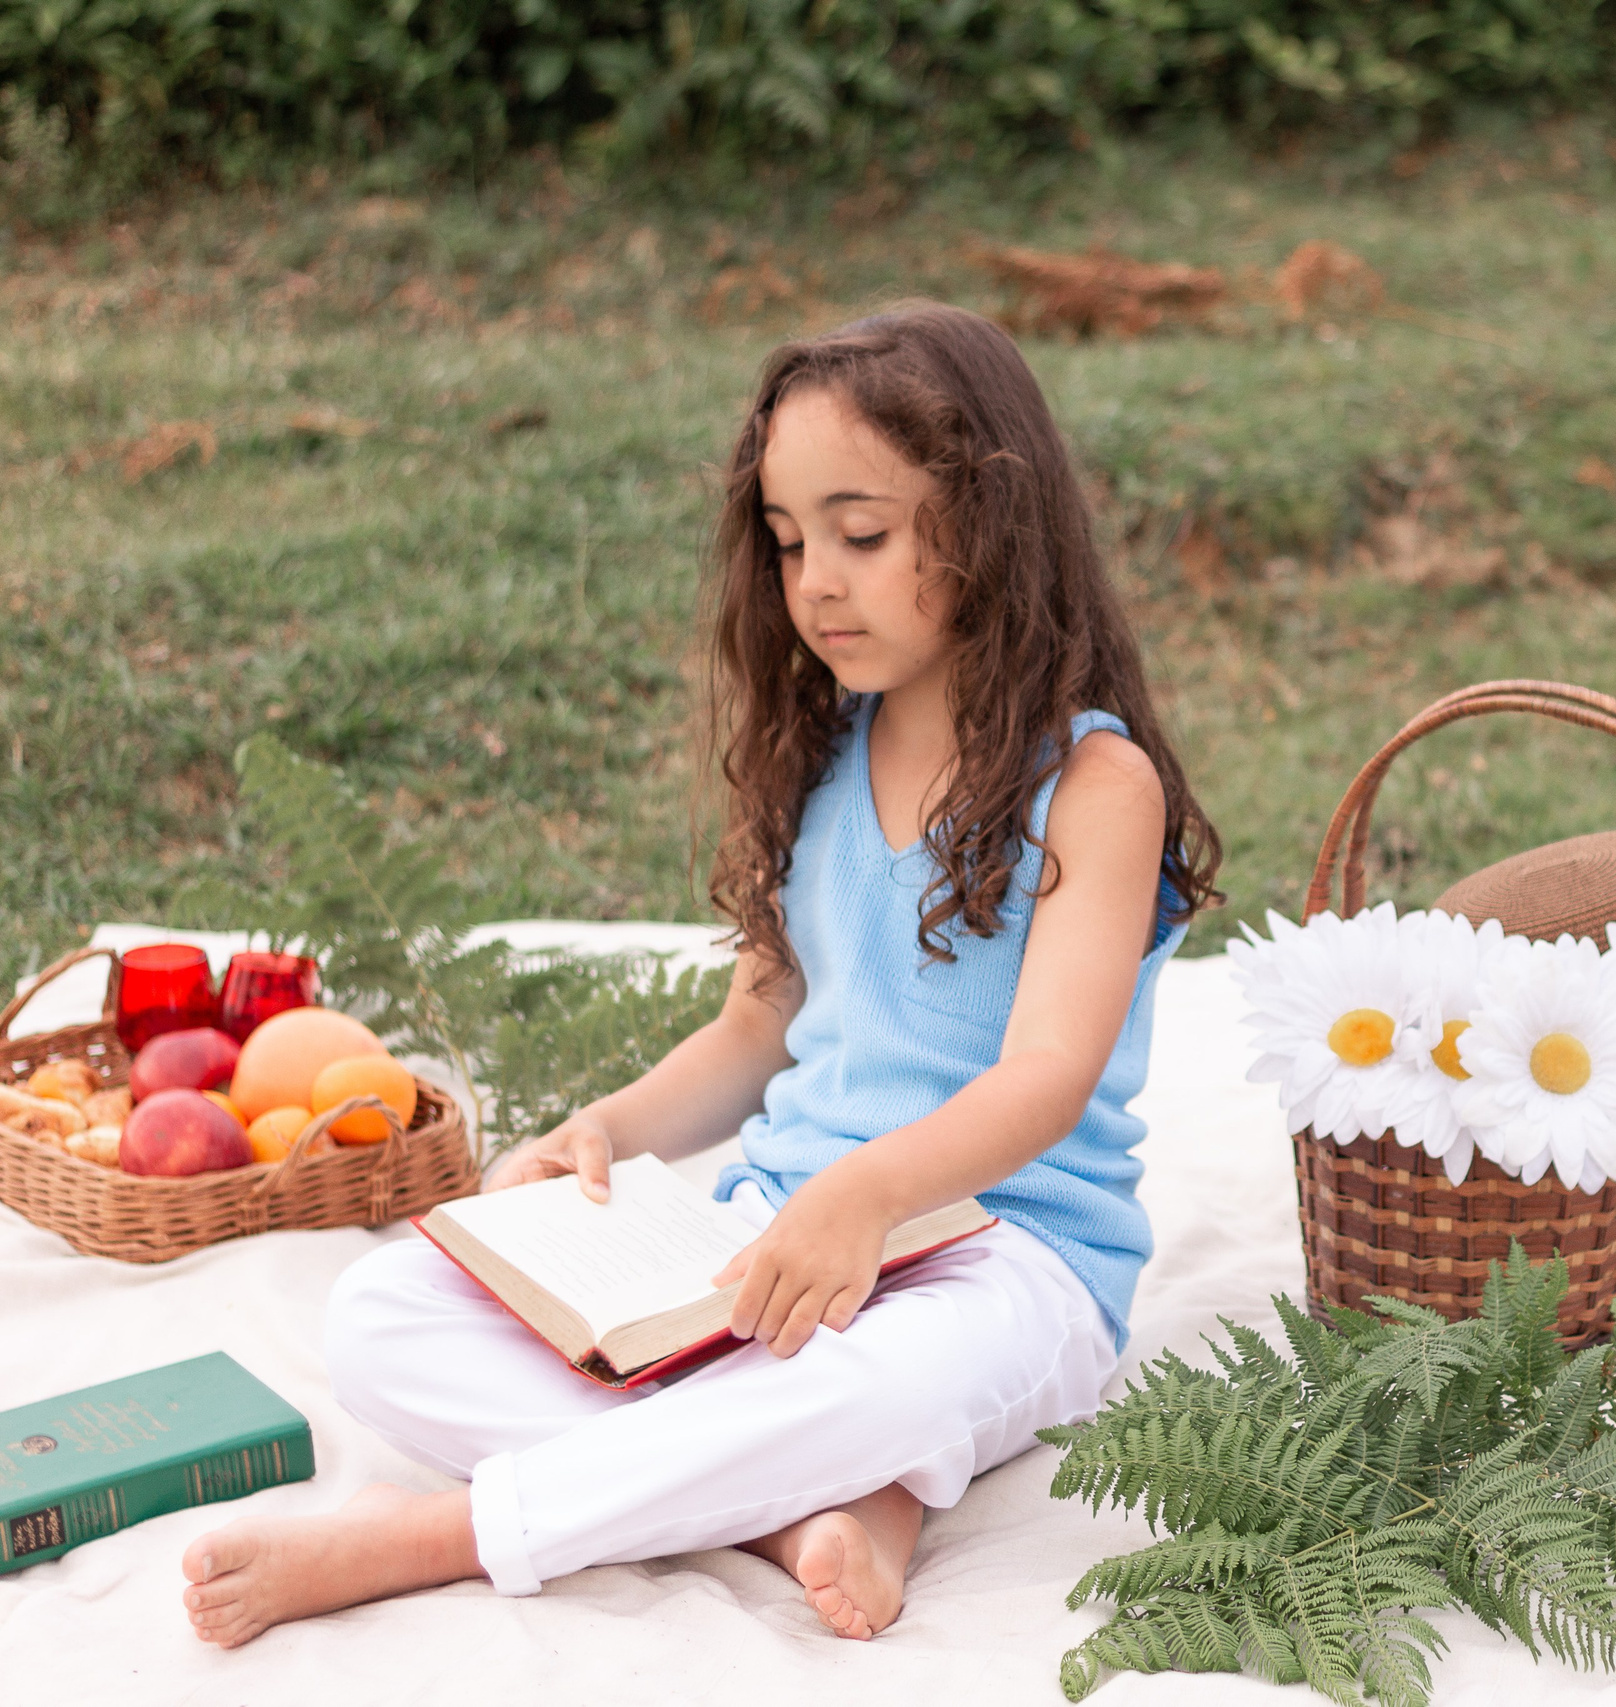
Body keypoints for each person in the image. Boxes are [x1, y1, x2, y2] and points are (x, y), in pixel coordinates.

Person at [179, 302, 1222, 1648]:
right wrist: (604, 1132)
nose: (817, 583)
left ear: (989, 524)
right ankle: (800, 1512)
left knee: (891, 1388)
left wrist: (869, 1196)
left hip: (1007, 1259)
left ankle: (442, 1535)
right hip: (773, 1233)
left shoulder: (1093, 783)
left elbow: (1048, 1076)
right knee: (384, 1314)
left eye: (861, 535)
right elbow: (756, 1028)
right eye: (788, 543)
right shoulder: (824, 752)